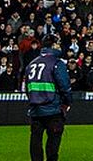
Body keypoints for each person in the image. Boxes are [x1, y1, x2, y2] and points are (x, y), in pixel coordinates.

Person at [25, 33, 71, 161]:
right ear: (53, 45)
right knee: (53, 143)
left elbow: (27, 88)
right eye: (58, 43)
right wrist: (66, 103)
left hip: (35, 109)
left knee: (35, 141)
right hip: (53, 109)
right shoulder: (57, 63)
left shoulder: (31, 64)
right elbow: (65, 87)